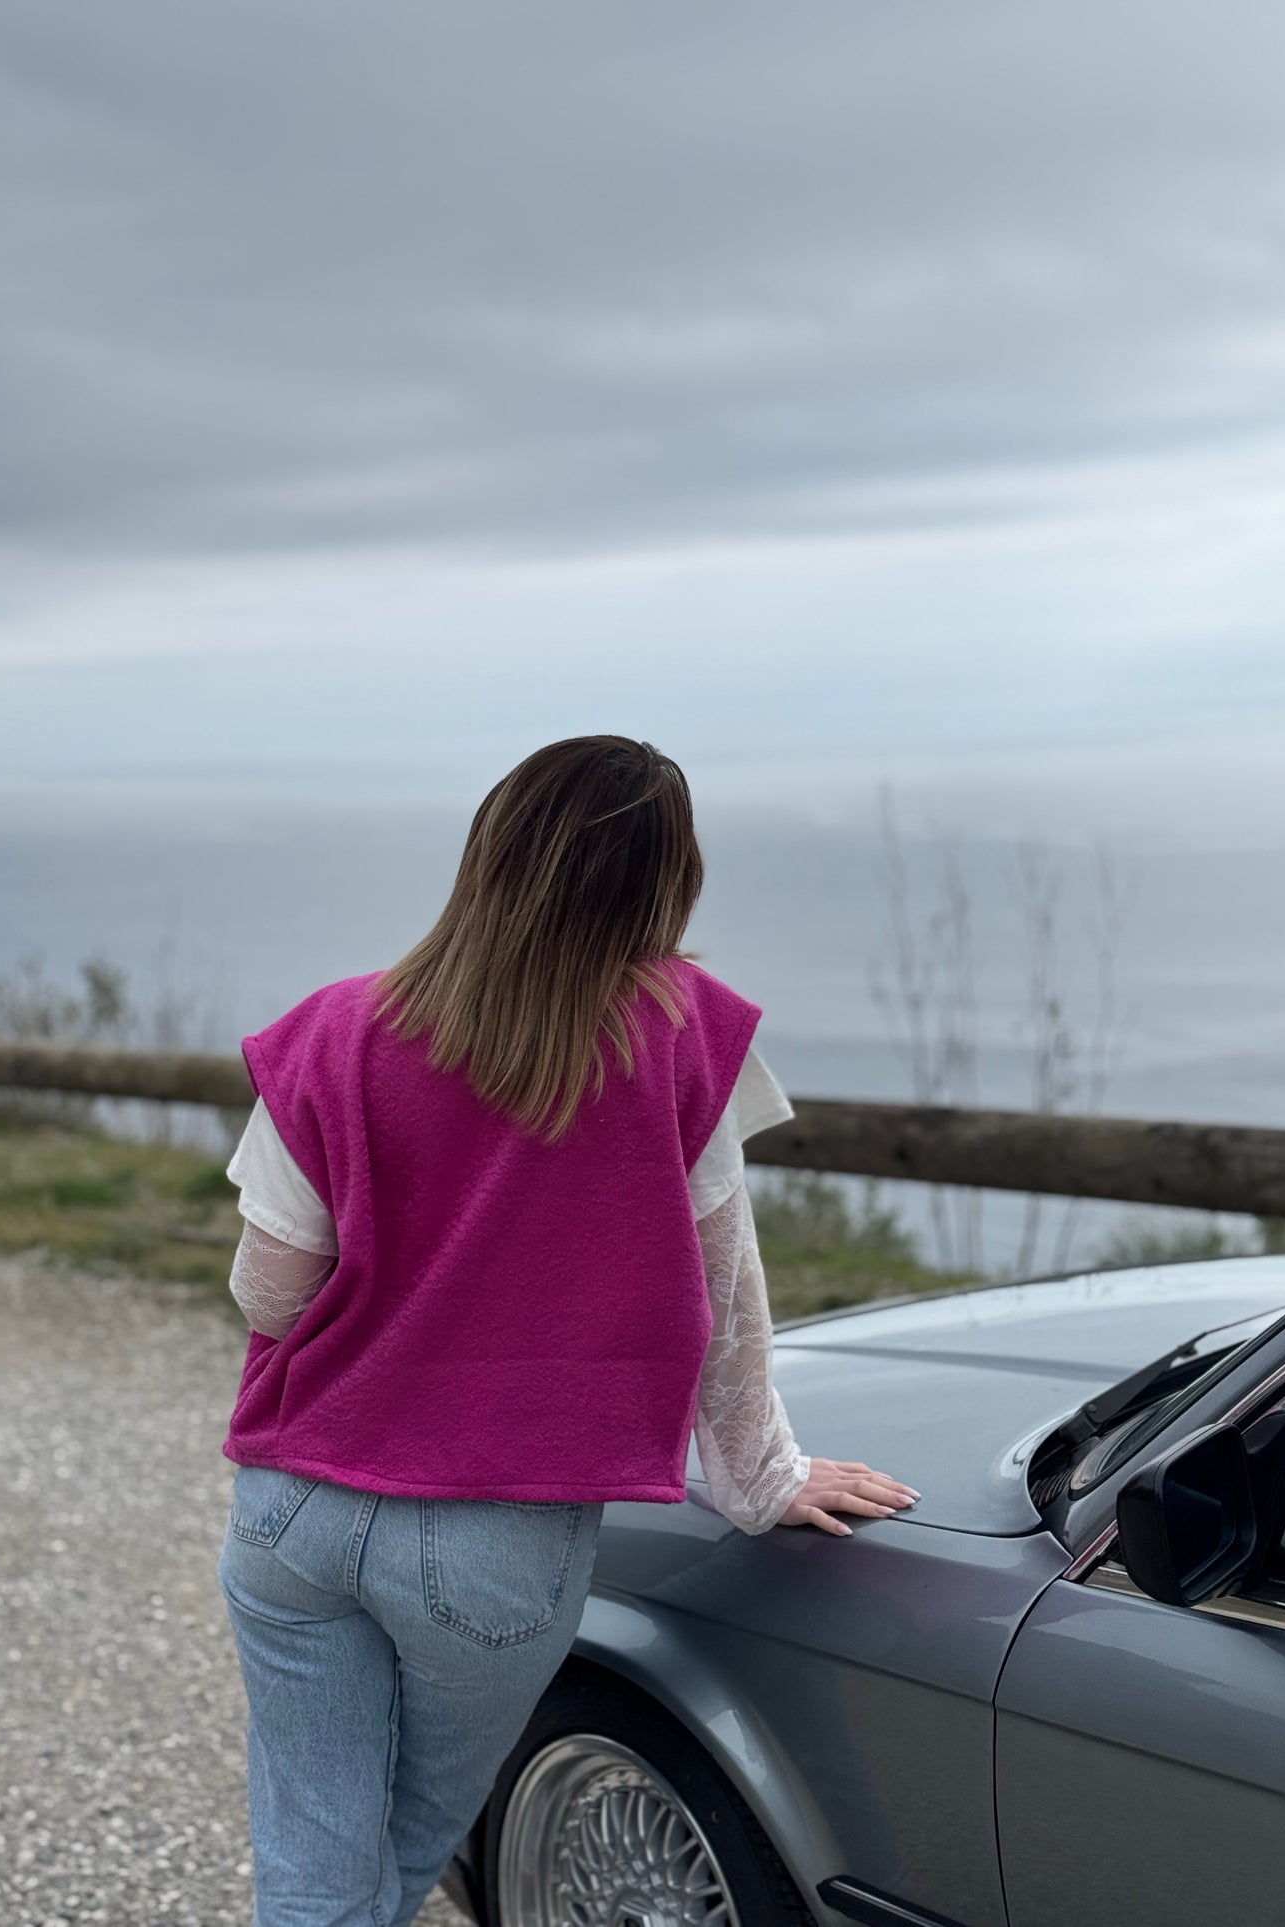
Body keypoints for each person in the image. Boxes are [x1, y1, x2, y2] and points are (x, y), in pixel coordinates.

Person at [215, 734, 918, 1927]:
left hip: (294, 1510)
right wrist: (762, 1479)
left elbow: (268, 1292)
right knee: (402, 1846)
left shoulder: (335, 1032)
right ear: (666, 879)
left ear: (487, 852)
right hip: (493, 1544)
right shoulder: (681, 1039)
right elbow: (723, 1288)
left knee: (318, 1866)